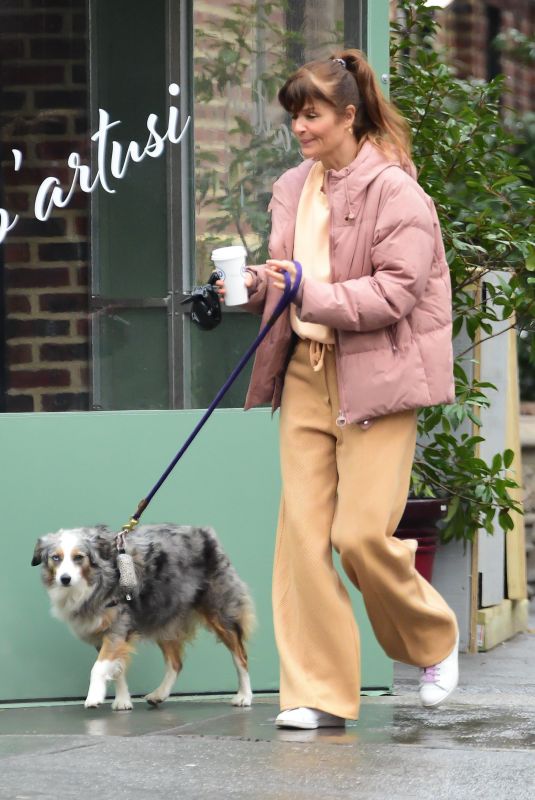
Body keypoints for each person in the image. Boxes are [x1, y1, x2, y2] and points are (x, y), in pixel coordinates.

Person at [216, 49, 459, 731]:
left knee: (357, 535)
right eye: (294, 115)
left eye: (312, 114)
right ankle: (317, 694)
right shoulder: (294, 187)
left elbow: (394, 292)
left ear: (349, 115)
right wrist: (248, 289)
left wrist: (306, 290)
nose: (299, 127)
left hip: (376, 375)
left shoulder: (396, 193)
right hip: (304, 374)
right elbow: (289, 276)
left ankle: (432, 641)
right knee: (301, 539)